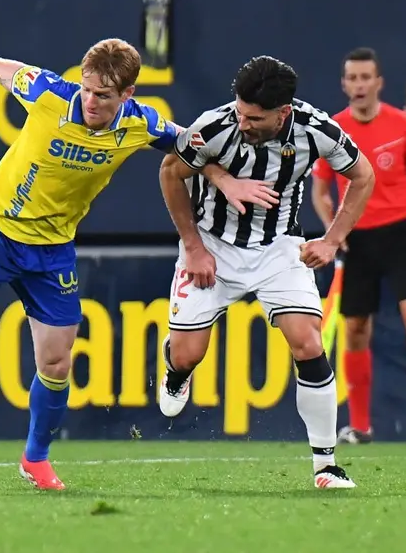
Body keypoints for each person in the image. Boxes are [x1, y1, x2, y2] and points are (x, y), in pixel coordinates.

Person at [0, 39, 251, 490]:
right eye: (88, 89)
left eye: (104, 96)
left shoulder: (140, 123)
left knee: (56, 363)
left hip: (53, 247)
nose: (91, 101)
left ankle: (34, 459)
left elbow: (187, 146)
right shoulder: (49, 93)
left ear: (128, 95)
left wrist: (222, 178)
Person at [158, 55, 376, 489]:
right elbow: (170, 173)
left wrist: (332, 240)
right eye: (239, 111)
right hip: (212, 246)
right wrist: (194, 248)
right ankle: (174, 371)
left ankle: (326, 465)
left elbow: (363, 175)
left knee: (309, 342)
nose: (243, 123)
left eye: (254, 118)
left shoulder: (316, 130)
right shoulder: (213, 127)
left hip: (279, 249)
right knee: (188, 354)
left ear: (284, 113)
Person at [310, 48, 406, 444]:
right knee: (355, 329)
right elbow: (320, 188)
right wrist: (332, 230)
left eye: (365, 77)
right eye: (351, 78)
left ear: (378, 83)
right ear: (344, 84)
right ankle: (360, 426)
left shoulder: (403, 124)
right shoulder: (334, 128)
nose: (358, 85)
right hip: (356, 239)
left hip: (399, 234)